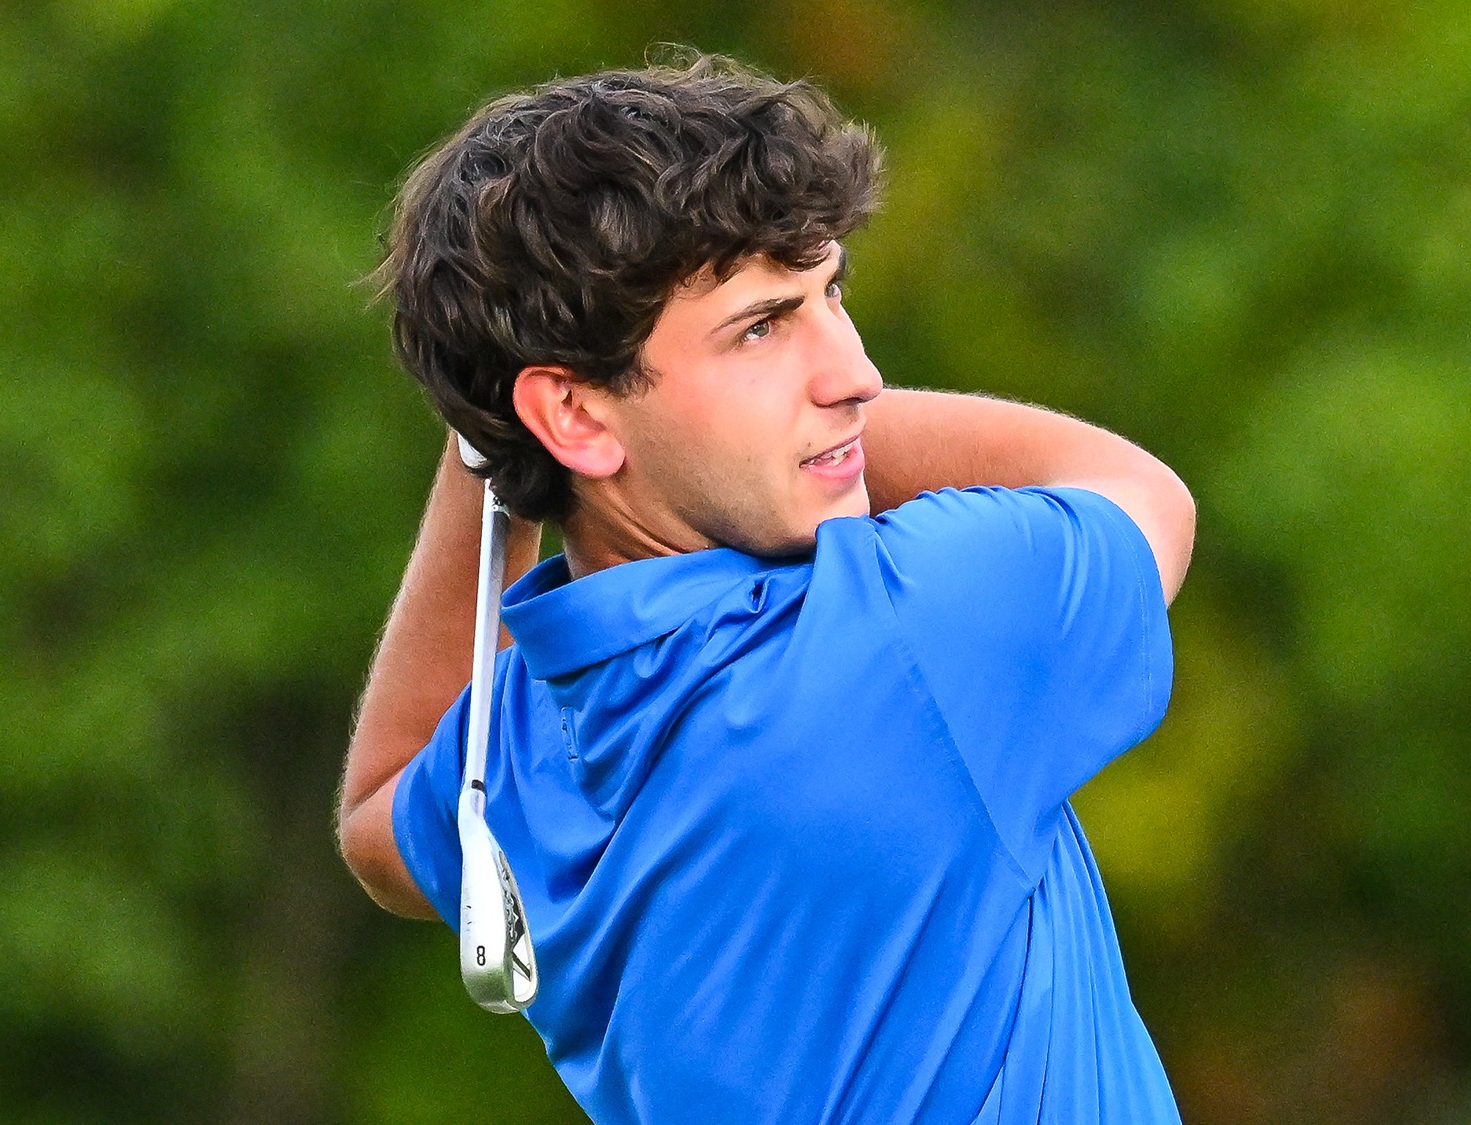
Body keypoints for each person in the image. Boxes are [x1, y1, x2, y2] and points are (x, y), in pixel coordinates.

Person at [337, 53, 1196, 1124]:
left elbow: (380, 818)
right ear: (578, 417)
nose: (853, 376)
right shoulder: (921, 624)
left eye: (829, 294)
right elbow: (1136, 491)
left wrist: (496, 445)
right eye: (760, 327)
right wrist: (827, 446)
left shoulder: (516, 759)